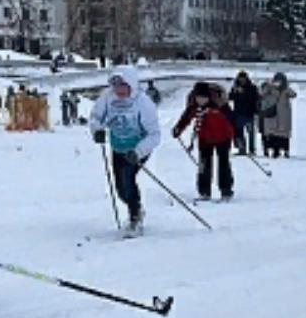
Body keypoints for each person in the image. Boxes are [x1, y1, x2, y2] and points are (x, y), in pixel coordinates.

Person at [88, 66, 161, 235]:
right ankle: (135, 206)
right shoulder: (107, 98)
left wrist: (138, 151)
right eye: (115, 86)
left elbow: (154, 134)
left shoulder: (143, 103)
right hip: (118, 147)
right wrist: (97, 130)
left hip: (137, 149)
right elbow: (96, 117)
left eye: (123, 86)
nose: (119, 90)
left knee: (128, 179)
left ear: (132, 84)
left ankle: (135, 218)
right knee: (120, 188)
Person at [173, 80, 236, 201]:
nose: (200, 101)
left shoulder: (220, 104)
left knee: (223, 163)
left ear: (209, 97)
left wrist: (238, 137)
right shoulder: (194, 105)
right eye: (198, 98)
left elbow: (232, 120)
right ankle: (204, 191)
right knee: (204, 164)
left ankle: (226, 190)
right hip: (205, 138)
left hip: (223, 137)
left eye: (203, 98)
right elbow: (186, 117)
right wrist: (178, 129)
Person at [260, 72, 296, 158]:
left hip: (284, 115)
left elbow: (293, 94)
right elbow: (262, 94)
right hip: (273, 114)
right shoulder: (270, 89)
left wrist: (286, 88)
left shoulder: (286, 90)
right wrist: (269, 87)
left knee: (284, 134)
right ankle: (275, 150)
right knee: (274, 134)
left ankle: (286, 150)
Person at [226, 71, 260, 155]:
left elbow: (255, 98)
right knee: (239, 132)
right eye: (240, 78)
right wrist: (235, 92)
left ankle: (252, 150)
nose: (242, 80)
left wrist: (243, 93)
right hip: (239, 113)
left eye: (243, 78)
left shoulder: (252, 87)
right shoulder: (235, 87)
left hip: (249, 113)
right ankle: (242, 149)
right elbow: (230, 97)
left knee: (251, 133)